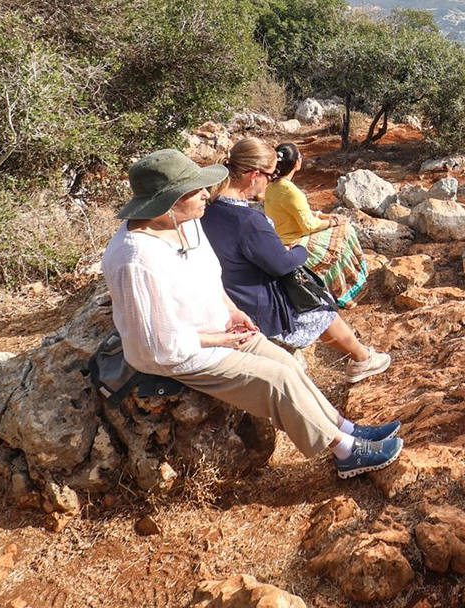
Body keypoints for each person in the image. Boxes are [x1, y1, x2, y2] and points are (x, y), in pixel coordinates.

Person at [101, 149, 402, 478]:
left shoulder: (187, 222)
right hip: (184, 352)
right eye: (195, 189)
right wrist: (222, 339)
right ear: (169, 201)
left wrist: (232, 312)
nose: (206, 193)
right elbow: (159, 344)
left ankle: (344, 427)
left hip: (218, 330)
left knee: (286, 363)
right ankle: (345, 451)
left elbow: (210, 276)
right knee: (278, 380)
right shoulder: (136, 259)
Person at [201, 139, 391, 384]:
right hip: (254, 304)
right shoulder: (248, 220)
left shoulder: (208, 207)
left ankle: (361, 357)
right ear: (254, 175)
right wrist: (299, 250)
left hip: (227, 291)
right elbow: (282, 265)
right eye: (270, 176)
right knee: (318, 303)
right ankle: (362, 359)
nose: (270, 182)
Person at [264, 143, 368, 308]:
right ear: (296, 163)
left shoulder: (272, 186)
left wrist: (325, 216)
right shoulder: (290, 190)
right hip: (294, 242)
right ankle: (345, 291)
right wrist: (332, 222)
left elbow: (300, 212)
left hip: (280, 239)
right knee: (345, 231)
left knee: (339, 228)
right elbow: (308, 225)